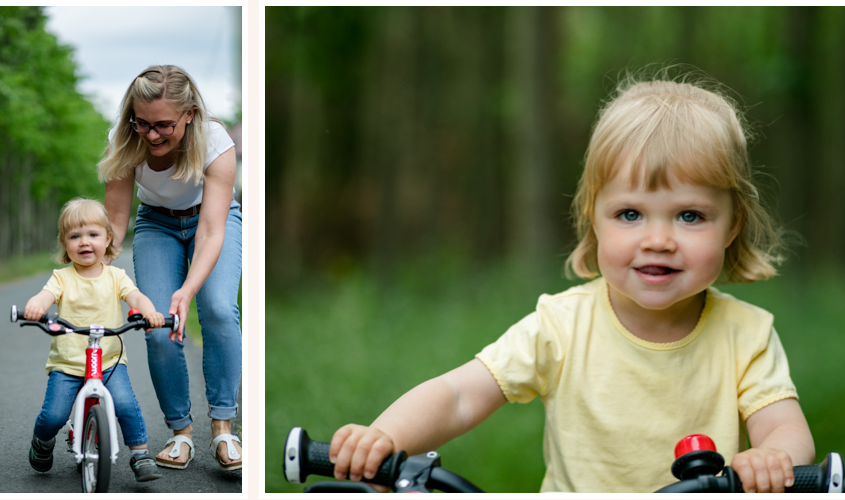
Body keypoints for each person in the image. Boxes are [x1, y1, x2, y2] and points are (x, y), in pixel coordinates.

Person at [326, 72, 815, 493]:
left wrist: (772, 457)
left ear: (732, 225)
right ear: (594, 220)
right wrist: (385, 438)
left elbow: (786, 429)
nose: (659, 239)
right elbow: (459, 396)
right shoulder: (560, 326)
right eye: (629, 214)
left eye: (690, 215)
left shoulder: (746, 335)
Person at [98, 65, 242, 471]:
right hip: (156, 223)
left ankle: (224, 430)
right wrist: (90, 277)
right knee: (157, 325)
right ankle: (180, 434)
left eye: (164, 125)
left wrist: (188, 290)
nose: (152, 134)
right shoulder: (124, 141)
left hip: (213, 221)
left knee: (216, 309)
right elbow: (115, 224)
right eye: (142, 123)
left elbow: (213, 232)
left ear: (190, 114)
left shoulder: (215, 140)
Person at [24, 198, 165, 482]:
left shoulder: (116, 276)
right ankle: (43, 441)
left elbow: (134, 296)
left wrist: (147, 308)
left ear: (108, 238)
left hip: (110, 359)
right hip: (68, 362)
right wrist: (37, 304)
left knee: (125, 404)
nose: (84, 242)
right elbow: (46, 295)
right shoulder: (62, 278)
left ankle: (140, 453)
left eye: (93, 234)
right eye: (75, 236)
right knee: (53, 415)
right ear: (64, 243)